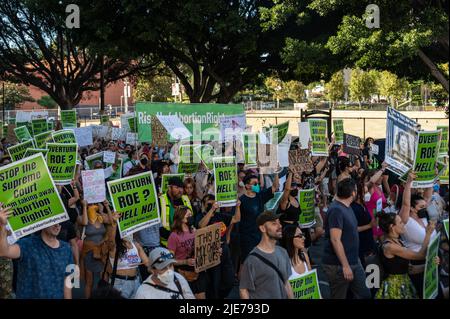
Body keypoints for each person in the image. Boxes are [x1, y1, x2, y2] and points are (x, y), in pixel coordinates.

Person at [0, 205, 73, 299]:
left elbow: (68, 280)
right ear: (42, 222)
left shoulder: (67, 248)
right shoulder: (27, 244)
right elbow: (3, 252)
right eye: (53, 220)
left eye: (59, 220)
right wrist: (2, 225)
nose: (57, 225)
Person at [322, 178, 371, 299]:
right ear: (353, 193)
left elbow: (352, 231)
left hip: (354, 261)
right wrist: (345, 265)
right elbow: (335, 239)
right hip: (338, 266)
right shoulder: (336, 210)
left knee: (365, 294)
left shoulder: (347, 207)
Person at [376, 212, 438, 299]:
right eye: (400, 222)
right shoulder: (390, 246)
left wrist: (430, 264)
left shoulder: (398, 242)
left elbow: (410, 269)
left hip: (405, 285)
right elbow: (420, 255)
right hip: (395, 289)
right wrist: (428, 234)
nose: (403, 224)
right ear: (392, 227)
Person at [398, 171, 437, 297]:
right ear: (412, 208)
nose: (425, 208)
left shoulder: (424, 216)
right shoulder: (405, 220)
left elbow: (427, 197)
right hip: (416, 265)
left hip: (431, 261)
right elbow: (405, 203)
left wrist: (431, 177)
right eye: (421, 207)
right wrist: (408, 183)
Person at [239, 211, 294, 299]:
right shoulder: (252, 259)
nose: (280, 226)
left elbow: (286, 283)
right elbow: (243, 290)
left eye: (279, 222)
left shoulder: (283, 252)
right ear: (263, 229)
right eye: (274, 224)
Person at [195, 195, 241, 299]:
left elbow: (236, 219)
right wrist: (211, 210)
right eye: (209, 204)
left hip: (224, 251)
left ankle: (221, 296)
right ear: (203, 204)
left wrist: (238, 206)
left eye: (213, 203)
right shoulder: (201, 215)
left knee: (229, 279)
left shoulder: (220, 215)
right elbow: (201, 226)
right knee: (215, 282)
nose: (212, 205)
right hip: (212, 252)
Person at [167, 206, 207, 299]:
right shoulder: (174, 236)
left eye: (191, 215)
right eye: (188, 215)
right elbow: (169, 260)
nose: (191, 217)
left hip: (197, 269)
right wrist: (185, 262)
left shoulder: (193, 230)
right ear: (181, 218)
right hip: (182, 272)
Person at [238, 173, 278, 263]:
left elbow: (275, 187)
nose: (258, 185)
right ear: (247, 186)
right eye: (255, 184)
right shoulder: (241, 201)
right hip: (247, 237)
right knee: (247, 262)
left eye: (258, 183)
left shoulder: (260, 196)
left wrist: (276, 172)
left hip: (260, 235)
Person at [79, 200, 115, 298]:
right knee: (89, 281)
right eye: (91, 204)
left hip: (101, 251)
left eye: (95, 204)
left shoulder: (100, 217)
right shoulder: (81, 217)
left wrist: (106, 207)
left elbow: (112, 221)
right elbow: (85, 222)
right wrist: (85, 206)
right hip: (89, 252)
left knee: (104, 278)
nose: (93, 206)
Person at [108, 228, 149, 298]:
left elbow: (147, 263)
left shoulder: (136, 245)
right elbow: (111, 241)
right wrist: (114, 224)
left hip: (135, 282)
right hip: (120, 283)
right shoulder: (115, 246)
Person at [159, 177, 192, 246]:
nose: (180, 190)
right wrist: (175, 238)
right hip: (167, 243)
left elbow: (191, 220)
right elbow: (159, 228)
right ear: (169, 188)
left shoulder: (185, 199)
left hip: (185, 241)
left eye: (181, 187)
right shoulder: (161, 200)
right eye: (177, 187)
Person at [364, 163, 389, 241]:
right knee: (372, 247)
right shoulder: (369, 187)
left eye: (381, 175)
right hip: (371, 221)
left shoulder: (379, 188)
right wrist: (382, 169)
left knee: (381, 246)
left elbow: (382, 204)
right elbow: (371, 181)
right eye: (379, 175)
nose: (381, 177)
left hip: (379, 220)